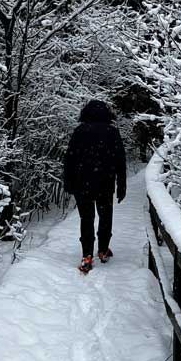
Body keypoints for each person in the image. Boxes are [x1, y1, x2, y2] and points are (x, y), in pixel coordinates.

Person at [63, 100, 127, 274]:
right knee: (105, 216)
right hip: (105, 183)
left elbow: (70, 158)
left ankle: (87, 255)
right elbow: (120, 160)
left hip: (82, 183)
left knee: (87, 218)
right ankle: (103, 250)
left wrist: (67, 181)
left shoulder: (80, 131)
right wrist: (122, 184)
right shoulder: (112, 132)